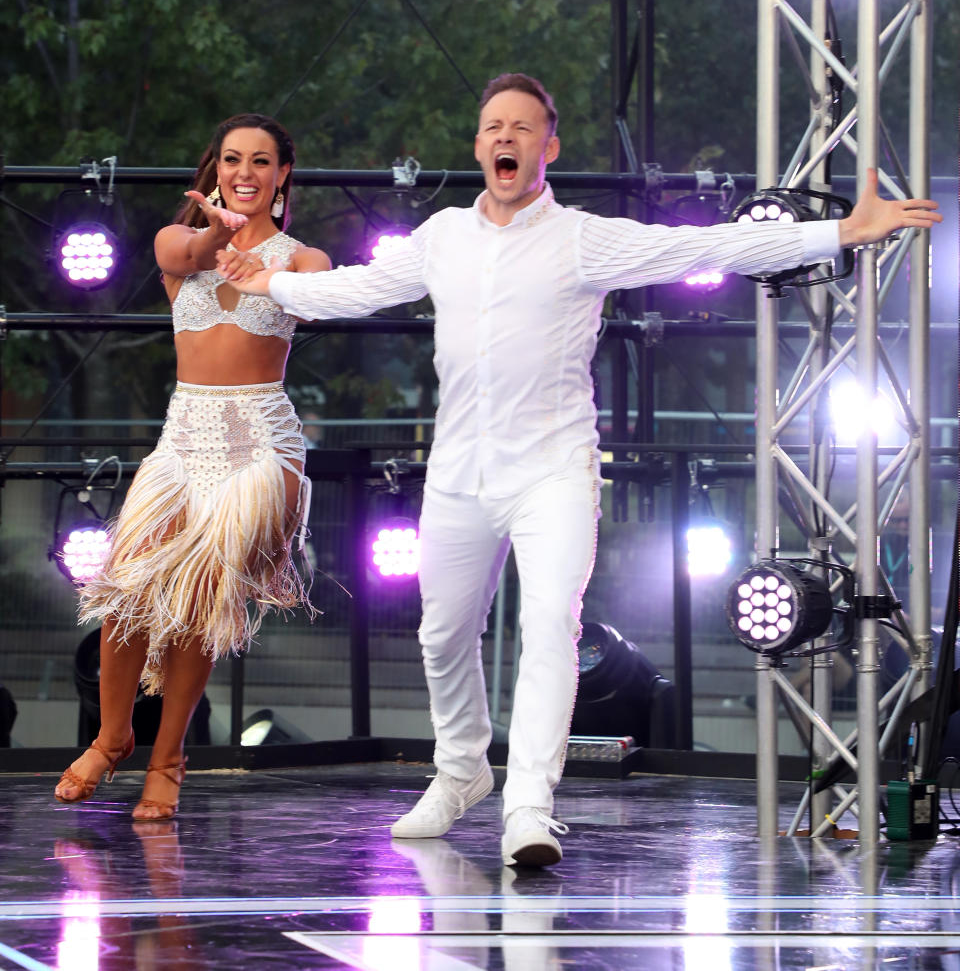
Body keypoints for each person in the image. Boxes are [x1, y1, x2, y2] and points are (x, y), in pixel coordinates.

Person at [217, 74, 941, 866]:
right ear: (478, 143)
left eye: (523, 128)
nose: (506, 138)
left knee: (548, 627)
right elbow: (357, 288)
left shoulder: (583, 238)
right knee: (441, 632)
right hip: (460, 470)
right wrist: (273, 282)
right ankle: (461, 770)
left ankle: (529, 803)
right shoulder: (444, 237)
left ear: (547, 147)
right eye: (494, 125)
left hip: (553, 471)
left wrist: (835, 234)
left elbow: (706, 244)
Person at [54, 113, 330, 820]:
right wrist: (220, 238)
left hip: (261, 443)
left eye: (261, 161)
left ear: (282, 173)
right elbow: (189, 254)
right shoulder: (178, 241)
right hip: (184, 440)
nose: (245, 171)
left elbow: (323, 298)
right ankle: (115, 735)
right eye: (232, 159)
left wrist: (260, 270)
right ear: (215, 169)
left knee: (202, 598)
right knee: (128, 587)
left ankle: (168, 757)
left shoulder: (302, 259)